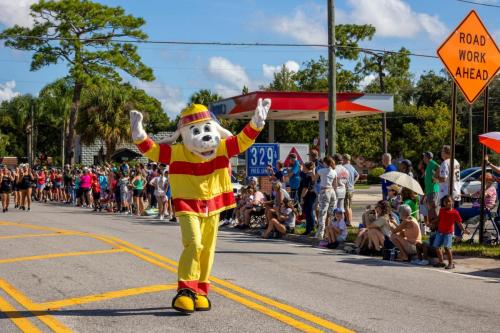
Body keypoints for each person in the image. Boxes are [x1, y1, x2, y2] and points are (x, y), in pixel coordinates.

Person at [433, 195, 468, 269]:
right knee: (437, 247)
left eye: (449, 201)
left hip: (448, 233)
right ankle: (441, 262)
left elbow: (459, 223)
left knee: (447, 248)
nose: (447, 203)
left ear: (452, 202)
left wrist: (464, 230)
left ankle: (451, 263)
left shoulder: (455, 212)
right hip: (440, 232)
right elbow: (439, 218)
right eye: (445, 202)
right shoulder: (442, 210)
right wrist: (432, 223)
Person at [315, 156, 337, 240]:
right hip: (332, 192)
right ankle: (328, 233)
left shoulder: (321, 171)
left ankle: (320, 233)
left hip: (324, 191)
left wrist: (313, 171)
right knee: (330, 213)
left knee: (322, 213)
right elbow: (335, 185)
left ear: (325, 163)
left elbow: (314, 179)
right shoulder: (334, 172)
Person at [300, 162, 317, 236]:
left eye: (304, 167)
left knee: (308, 212)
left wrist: (302, 197)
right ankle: (312, 227)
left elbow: (306, 188)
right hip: (312, 195)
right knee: (310, 211)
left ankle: (309, 229)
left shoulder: (307, 176)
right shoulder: (311, 174)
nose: (303, 168)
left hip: (308, 195)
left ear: (306, 167)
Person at [422, 152, 440, 225]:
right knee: (431, 208)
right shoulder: (428, 165)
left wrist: (435, 177)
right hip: (429, 190)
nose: (423, 158)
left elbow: (439, 167)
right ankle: (433, 225)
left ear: (427, 157)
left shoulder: (432, 162)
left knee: (433, 208)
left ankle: (436, 226)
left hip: (433, 190)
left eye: (424, 157)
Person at [342, 154, 359, 226]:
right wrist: (353, 182)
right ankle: (349, 221)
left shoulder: (344, 167)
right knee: (349, 206)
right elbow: (357, 175)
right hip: (351, 189)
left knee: (346, 206)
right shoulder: (352, 167)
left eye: (343, 159)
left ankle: (348, 222)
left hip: (346, 189)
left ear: (345, 159)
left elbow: (343, 178)